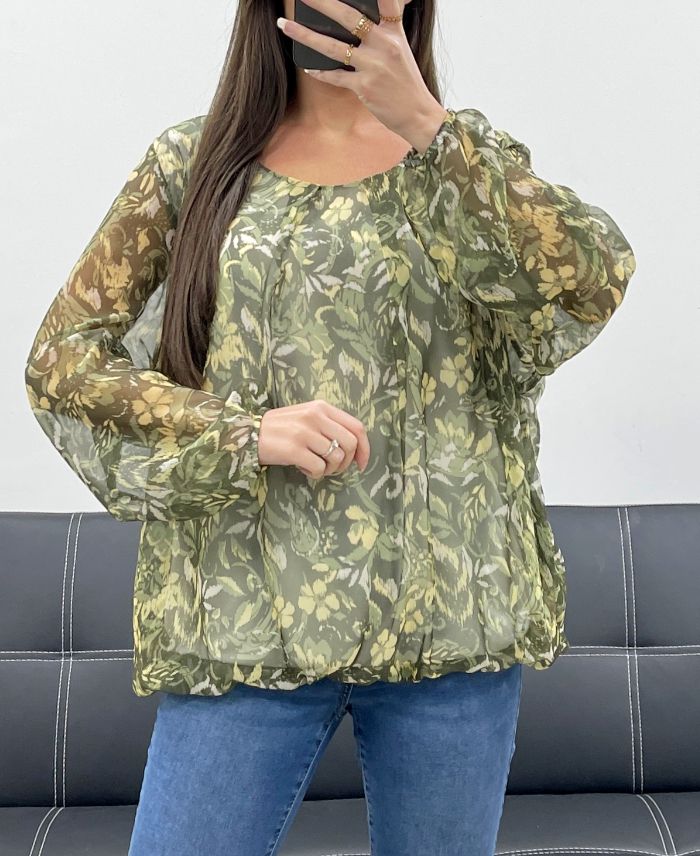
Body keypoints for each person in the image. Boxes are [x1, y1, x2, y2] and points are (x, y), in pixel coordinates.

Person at [23, 0, 637, 854]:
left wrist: (426, 123)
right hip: (244, 620)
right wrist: (239, 431)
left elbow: (593, 280)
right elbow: (62, 361)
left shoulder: (462, 162)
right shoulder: (192, 165)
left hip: (447, 623)